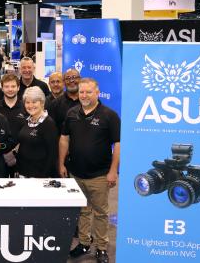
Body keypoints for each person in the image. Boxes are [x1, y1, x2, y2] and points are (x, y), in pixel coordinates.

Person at [59, 78, 120, 263]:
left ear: (97, 93)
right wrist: (61, 163)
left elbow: (117, 144)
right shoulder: (71, 113)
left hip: (100, 175)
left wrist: (113, 171)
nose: (84, 95)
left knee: (101, 213)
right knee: (82, 211)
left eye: (88, 92)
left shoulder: (109, 115)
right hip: (76, 173)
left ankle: (102, 248)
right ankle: (84, 242)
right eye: (81, 92)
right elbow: (64, 139)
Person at [16, 87, 58, 178]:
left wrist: (43, 177)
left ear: (42, 103)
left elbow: (52, 154)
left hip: (39, 175)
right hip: (23, 172)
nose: (30, 105)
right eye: (27, 102)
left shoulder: (48, 123)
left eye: (34, 102)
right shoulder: (26, 120)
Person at [0, 73, 27, 172]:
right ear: (2, 88)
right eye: (6, 86)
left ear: (18, 87)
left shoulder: (26, 108)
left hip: (21, 156)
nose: (10, 89)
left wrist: (14, 152)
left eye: (13, 86)